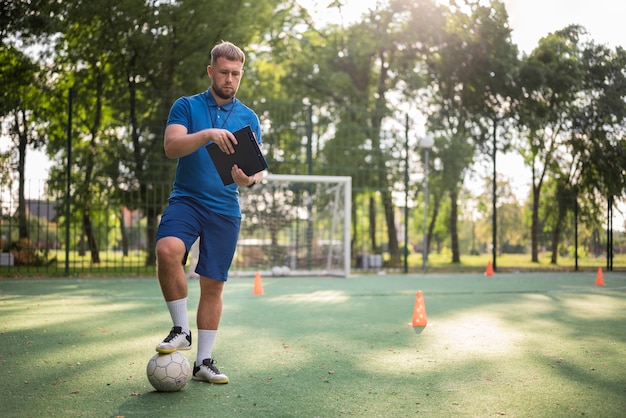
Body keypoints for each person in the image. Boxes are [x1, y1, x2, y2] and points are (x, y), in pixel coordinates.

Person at [155, 41, 264, 385]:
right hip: (186, 200)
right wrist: (206, 135)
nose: (230, 79)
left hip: (224, 209)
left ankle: (204, 362)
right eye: (224, 72)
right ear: (210, 71)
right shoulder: (185, 106)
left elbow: (256, 171)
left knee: (212, 285)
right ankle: (181, 330)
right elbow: (172, 147)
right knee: (167, 250)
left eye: (236, 74)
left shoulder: (249, 117)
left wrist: (248, 180)